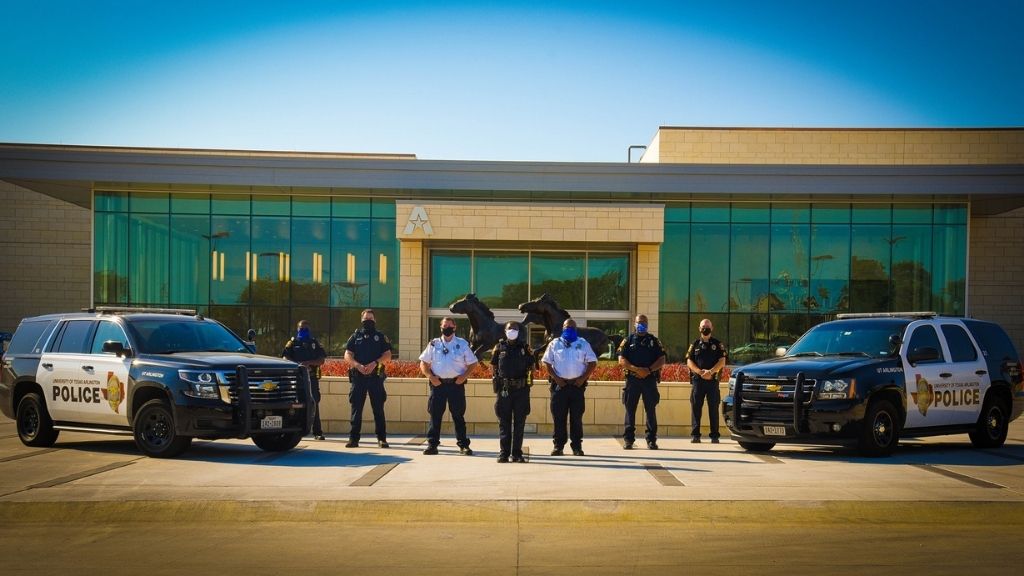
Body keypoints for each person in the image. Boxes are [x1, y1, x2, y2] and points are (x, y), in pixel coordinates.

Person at [419, 317, 479, 455]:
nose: (447, 328)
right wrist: (430, 376)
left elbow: (473, 363)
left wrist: (464, 376)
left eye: (449, 326)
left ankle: (463, 445)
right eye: (444, 326)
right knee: (435, 416)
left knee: (458, 416)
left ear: (454, 327)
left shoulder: (462, 344)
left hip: (456, 385)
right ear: (441, 327)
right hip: (438, 385)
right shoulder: (434, 344)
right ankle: (432, 445)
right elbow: (423, 363)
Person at [542, 318, 597, 456]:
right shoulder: (554, 344)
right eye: (567, 327)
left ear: (576, 329)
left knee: (576, 418)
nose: (569, 329)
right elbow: (547, 363)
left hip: (577, 387)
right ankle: (558, 446)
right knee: (559, 418)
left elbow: (592, 363)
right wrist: (557, 379)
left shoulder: (582, 343)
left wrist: (582, 379)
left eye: (572, 327)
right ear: (563, 328)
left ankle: (577, 447)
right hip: (560, 387)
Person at [343, 308, 393, 449]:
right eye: (366, 320)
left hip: (375, 378)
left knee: (378, 409)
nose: (368, 322)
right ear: (361, 320)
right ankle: (353, 439)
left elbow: (388, 355)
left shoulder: (380, 336)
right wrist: (357, 365)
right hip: (358, 378)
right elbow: (347, 354)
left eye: (370, 319)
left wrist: (375, 363)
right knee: (356, 409)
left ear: (375, 320)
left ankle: (382, 439)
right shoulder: (355, 336)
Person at [617, 314, 667, 450]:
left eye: (644, 322)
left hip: (649, 380)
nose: (642, 324)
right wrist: (636, 369)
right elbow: (621, 360)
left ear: (648, 324)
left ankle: (651, 440)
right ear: (634, 324)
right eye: (639, 322)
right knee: (630, 410)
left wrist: (649, 370)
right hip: (632, 380)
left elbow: (662, 359)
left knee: (650, 410)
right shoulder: (628, 340)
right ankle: (628, 440)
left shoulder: (654, 341)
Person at [489, 320, 535, 463]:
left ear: (519, 331)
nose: (512, 331)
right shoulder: (499, 347)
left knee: (519, 423)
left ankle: (517, 453)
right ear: (505, 331)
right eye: (510, 328)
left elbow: (532, 366)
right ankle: (504, 453)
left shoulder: (525, 348)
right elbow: (493, 366)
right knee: (504, 422)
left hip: (521, 390)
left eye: (515, 329)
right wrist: (496, 379)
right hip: (504, 390)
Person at [282, 320, 327, 440]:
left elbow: (321, 359)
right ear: (297, 329)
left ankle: (317, 432)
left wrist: (309, 363)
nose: (304, 331)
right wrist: (297, 365)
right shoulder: (292, 343)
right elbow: (285, 357)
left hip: (311, 378)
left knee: (314, 402)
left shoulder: (314, 343)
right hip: (296, 378)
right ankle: (294, 430)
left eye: (306, 329)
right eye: (301, 329)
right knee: (294, 404)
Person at [686, 318, 728, 443]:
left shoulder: (718, 344)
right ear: (699, 329)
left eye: (708, 326)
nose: (705, 328)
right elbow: (689, 361)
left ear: (712, 328)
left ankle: (714, 435)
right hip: (698, 381)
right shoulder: (694, 344)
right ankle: (695, 435)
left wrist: (711, 372)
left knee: (713, 408)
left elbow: (722, 361)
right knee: (696, 408)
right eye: (703, 326)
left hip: (712, 381)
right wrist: (699, 372)